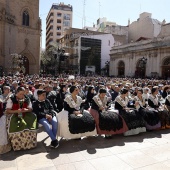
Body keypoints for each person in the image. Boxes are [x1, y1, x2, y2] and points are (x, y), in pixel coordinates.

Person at [6, 87, 37, 151]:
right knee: (17, 125)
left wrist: (26, 110)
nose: (22, 96)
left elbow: (30, 109)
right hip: (14, 115)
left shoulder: (27, 98)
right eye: (20, 94)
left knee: (30, 124)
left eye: (23, 94)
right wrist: (17, 111)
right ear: (16, 93)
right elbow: (8, 111)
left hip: (25, 114)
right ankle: (18, 146)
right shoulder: (11, 99)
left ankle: (29, 145)